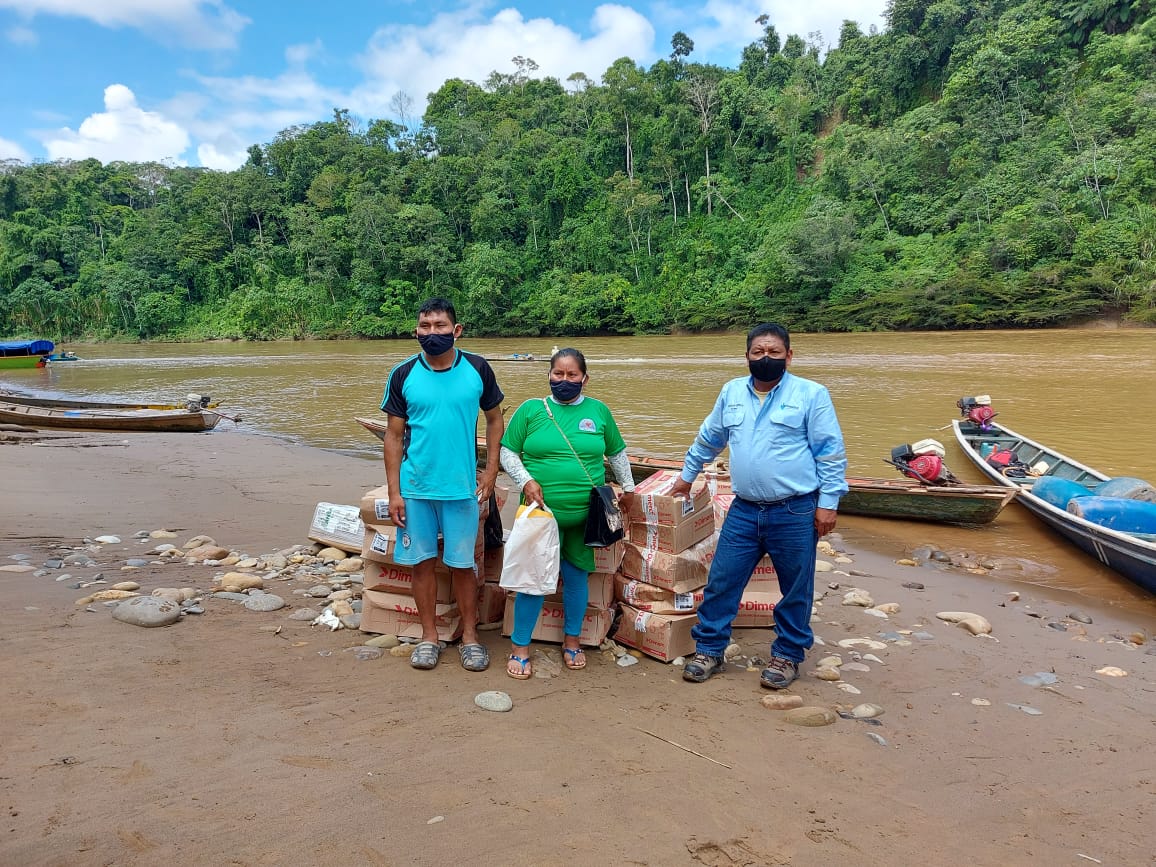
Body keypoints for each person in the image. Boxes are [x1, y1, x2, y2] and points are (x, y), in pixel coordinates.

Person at [669, 323, 847, 689]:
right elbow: (710, 438)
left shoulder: (811, 395)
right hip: (745, 509)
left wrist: (828, 502)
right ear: (747, 356)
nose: (766, 359)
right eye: (758, 353)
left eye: (774, 352)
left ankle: (787, 656)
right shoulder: (732, 392)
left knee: (796, 586)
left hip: (795, 509)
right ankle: (709, 650)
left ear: (789, 356)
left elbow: (830, 453)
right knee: (722, 580)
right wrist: (686, 476)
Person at [381, 297, 505, 672]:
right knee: (421, 564)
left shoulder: (477, 369)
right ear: (416, 330)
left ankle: (469, 637)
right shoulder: (403, 375)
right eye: (424, 326)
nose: (431, 333)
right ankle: (429, 637)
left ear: (456, 330)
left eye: (439, 326)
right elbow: (392, 435)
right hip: (416, 489)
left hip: (461, 490)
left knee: (463, 565)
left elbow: (496, 421)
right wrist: (393, 492)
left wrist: (491, 470)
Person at [499, 348, 636, 679]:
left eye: (572, 375)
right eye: (558, 374)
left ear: (584, 378)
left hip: (584, 516)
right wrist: (527, 480)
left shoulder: (598, 412)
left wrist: (629, 489)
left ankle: (572, 641)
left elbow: (617, 454)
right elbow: (507, 452)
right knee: (532, 580)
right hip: (539, 513)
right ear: (548, 375)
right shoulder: (531, 410)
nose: (564, 380)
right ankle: (520, 646)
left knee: (576, 578)